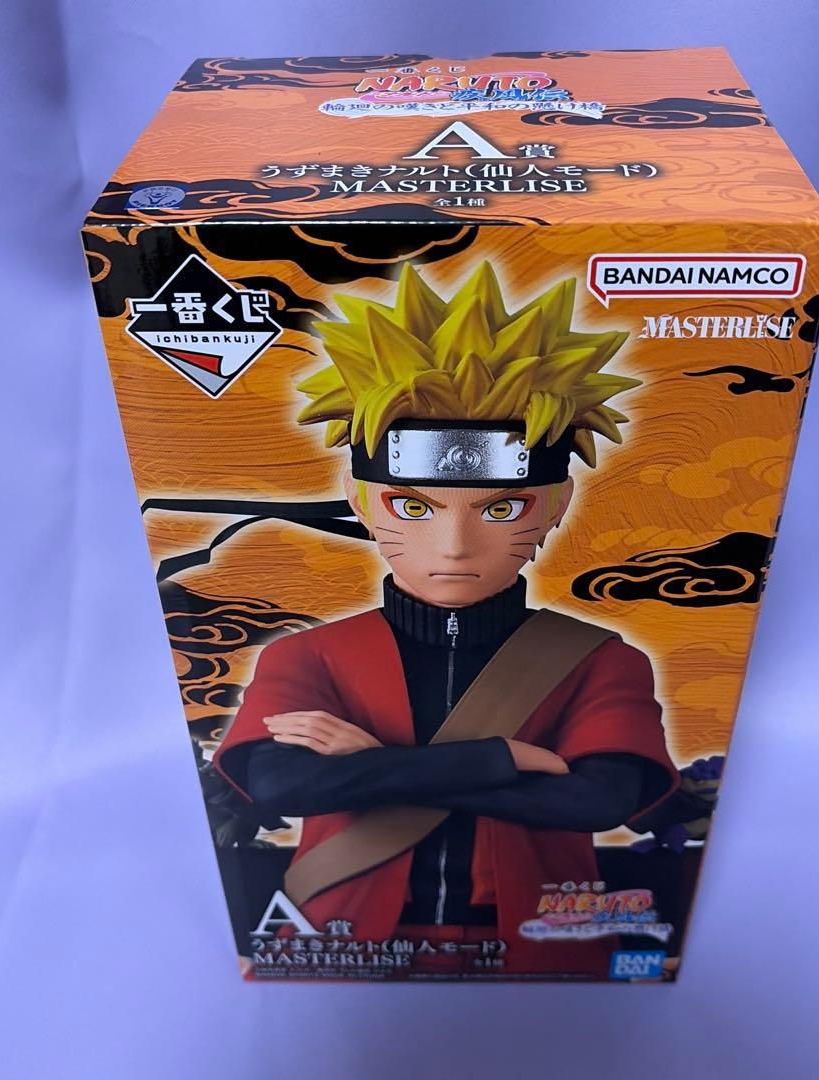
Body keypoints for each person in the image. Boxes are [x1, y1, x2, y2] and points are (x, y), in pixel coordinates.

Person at [213, 261, 679, 976]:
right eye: (412, 507)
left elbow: (597, 799)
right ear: (360, 501)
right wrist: (500, 760)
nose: (455, 545)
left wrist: (368, 763)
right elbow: (282, 786)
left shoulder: (601, 660)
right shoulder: (307, 656)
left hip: (543, 953)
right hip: (337, 941)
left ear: (557, 504)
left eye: (502, 508)